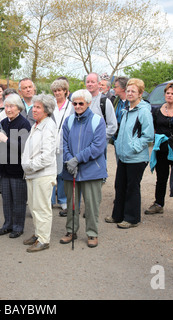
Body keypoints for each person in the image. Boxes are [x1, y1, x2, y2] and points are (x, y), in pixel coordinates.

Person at [60, 89, 107, 248]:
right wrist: (69, 160)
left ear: (88, 103)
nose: (78, 106)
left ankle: (92, 233)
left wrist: (77, 159)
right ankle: (71, 230)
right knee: (72, 203)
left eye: (81, 103)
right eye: (75, 103)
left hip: (91, 170)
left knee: (92, 204)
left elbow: (98, 146)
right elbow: (64, 143)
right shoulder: (68, 120)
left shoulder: (97, 121)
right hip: (70, 169)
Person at [105, 78, 154, 229]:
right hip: (124, 156)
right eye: (128, 90)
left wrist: (133, 147)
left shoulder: (144, 111)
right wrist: (120, 146)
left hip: (136, 157)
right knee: (120, 185)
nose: (130, 93)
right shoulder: (126, 109)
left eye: (133, 91)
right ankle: (117, 215)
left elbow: (148, 135)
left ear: (140, 94)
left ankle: (132, 218)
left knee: (132, 188)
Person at [21, 94, 57, 252]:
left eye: (37, 107)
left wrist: (29, 166)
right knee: (34, 206)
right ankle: (38, 233)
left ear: (47, 110)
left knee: (42, 207)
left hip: (42, 174)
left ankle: (44, 239)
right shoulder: (37, 124)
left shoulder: (48, 126)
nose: (33, 109)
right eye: (33, 106)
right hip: (33, 174)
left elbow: (47, 156)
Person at [0, 93, 31, 238]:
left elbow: (23, 147)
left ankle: (18, 227)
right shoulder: (3, 122)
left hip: (17, 169)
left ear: (18, 108)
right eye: (6, 106)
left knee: (19, 200)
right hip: (4, 168)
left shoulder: (24, 124)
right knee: (6, 200)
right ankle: (7, 224)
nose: (8, 109)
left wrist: (6, 139)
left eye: (11, 106)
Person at [146, 82, 173, 215]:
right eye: (167, 93)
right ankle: (158, 203)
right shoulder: (157, 110)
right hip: (161, 148)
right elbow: (154, 128)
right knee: (161, 177)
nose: (169, 95)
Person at [50, 79, 74, 216]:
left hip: (65, 143)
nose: (57, 93)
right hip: (51, 144)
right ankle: (51, 199)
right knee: (51, 172)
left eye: (60, 90)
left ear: (65, 91)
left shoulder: (71, 106)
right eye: (55, 91)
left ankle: (63, 200)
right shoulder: (50, 105)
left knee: (63, 174)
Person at [85, 73, 118, 145]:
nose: (90, 84)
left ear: (99, 84)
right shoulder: (80, 101)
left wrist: (98, 138)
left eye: (93, 82)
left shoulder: (105, 102)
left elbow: (112, 126)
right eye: (88, 82)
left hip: (98, 146)